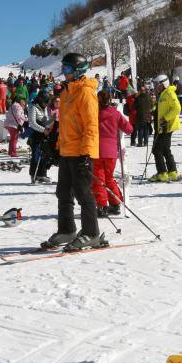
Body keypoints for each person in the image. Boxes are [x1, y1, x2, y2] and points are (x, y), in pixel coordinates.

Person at [42, 52, 104, 251]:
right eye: (63, 68)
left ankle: (91, 233)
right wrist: (58, 146)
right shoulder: (67, 91)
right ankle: (67, 230)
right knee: (63, 192)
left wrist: (87, 153)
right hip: (67, 150)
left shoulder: (85, 92)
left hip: (81, 151)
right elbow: (66, 123)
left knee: (83, 193)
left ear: (78, 70)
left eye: (67, 69)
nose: (64, 73)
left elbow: (90, 125)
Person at [95, 90, 133, 216]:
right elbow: (129, 129)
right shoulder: (115, 113)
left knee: (99, 180)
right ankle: (115, 203)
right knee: (109, 178)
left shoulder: (94, 113)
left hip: (97, 150)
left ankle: (102, 206)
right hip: (111, 151)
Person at [148, 74, 181, 182]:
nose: (156, 87)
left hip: (166, 126)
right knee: (166, 149)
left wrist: (165, 118)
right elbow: (163, 107)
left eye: (157, 84)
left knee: (157, 150)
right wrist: (154, 111)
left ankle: (162, 173)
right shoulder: (163, 93)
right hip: (162, 126)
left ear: (163, 84)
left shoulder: (169, 93)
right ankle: (172, 172)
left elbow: (177, 108)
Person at [28, 91, 54, 183]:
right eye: (45, 102)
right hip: (36, 134)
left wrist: (52, 120)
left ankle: (42, 174)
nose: (46, 104)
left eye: (47, 102)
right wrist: (43, 130)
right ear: (40, 100)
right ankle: (33, 175)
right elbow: (32, 123)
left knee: (45, 155)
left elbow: (46, 121)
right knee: (36, 155)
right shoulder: (33, 107)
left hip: (44, 134)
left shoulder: (45, 108)